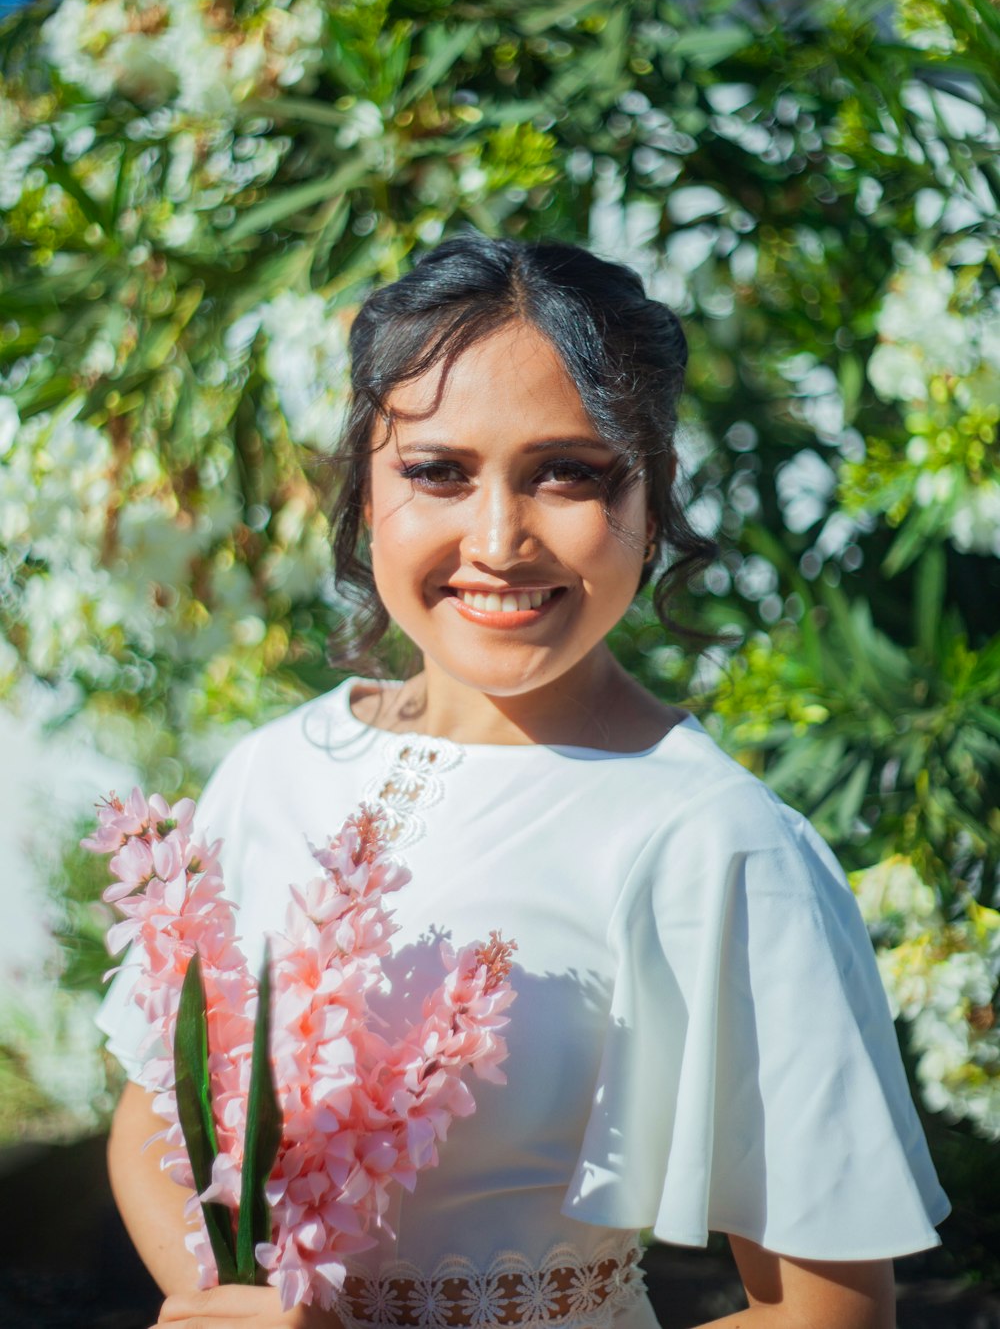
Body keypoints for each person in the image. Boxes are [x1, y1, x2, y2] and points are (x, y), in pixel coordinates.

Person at [98, 235, 950, 1329]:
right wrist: (223, 1299)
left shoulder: (717, 842)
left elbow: (827, 1315)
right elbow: (150, 1127)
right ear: (364, 482)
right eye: (438, 472)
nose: (498, 540)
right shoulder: (269, 774)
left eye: (567, 472)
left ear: (653, 490)